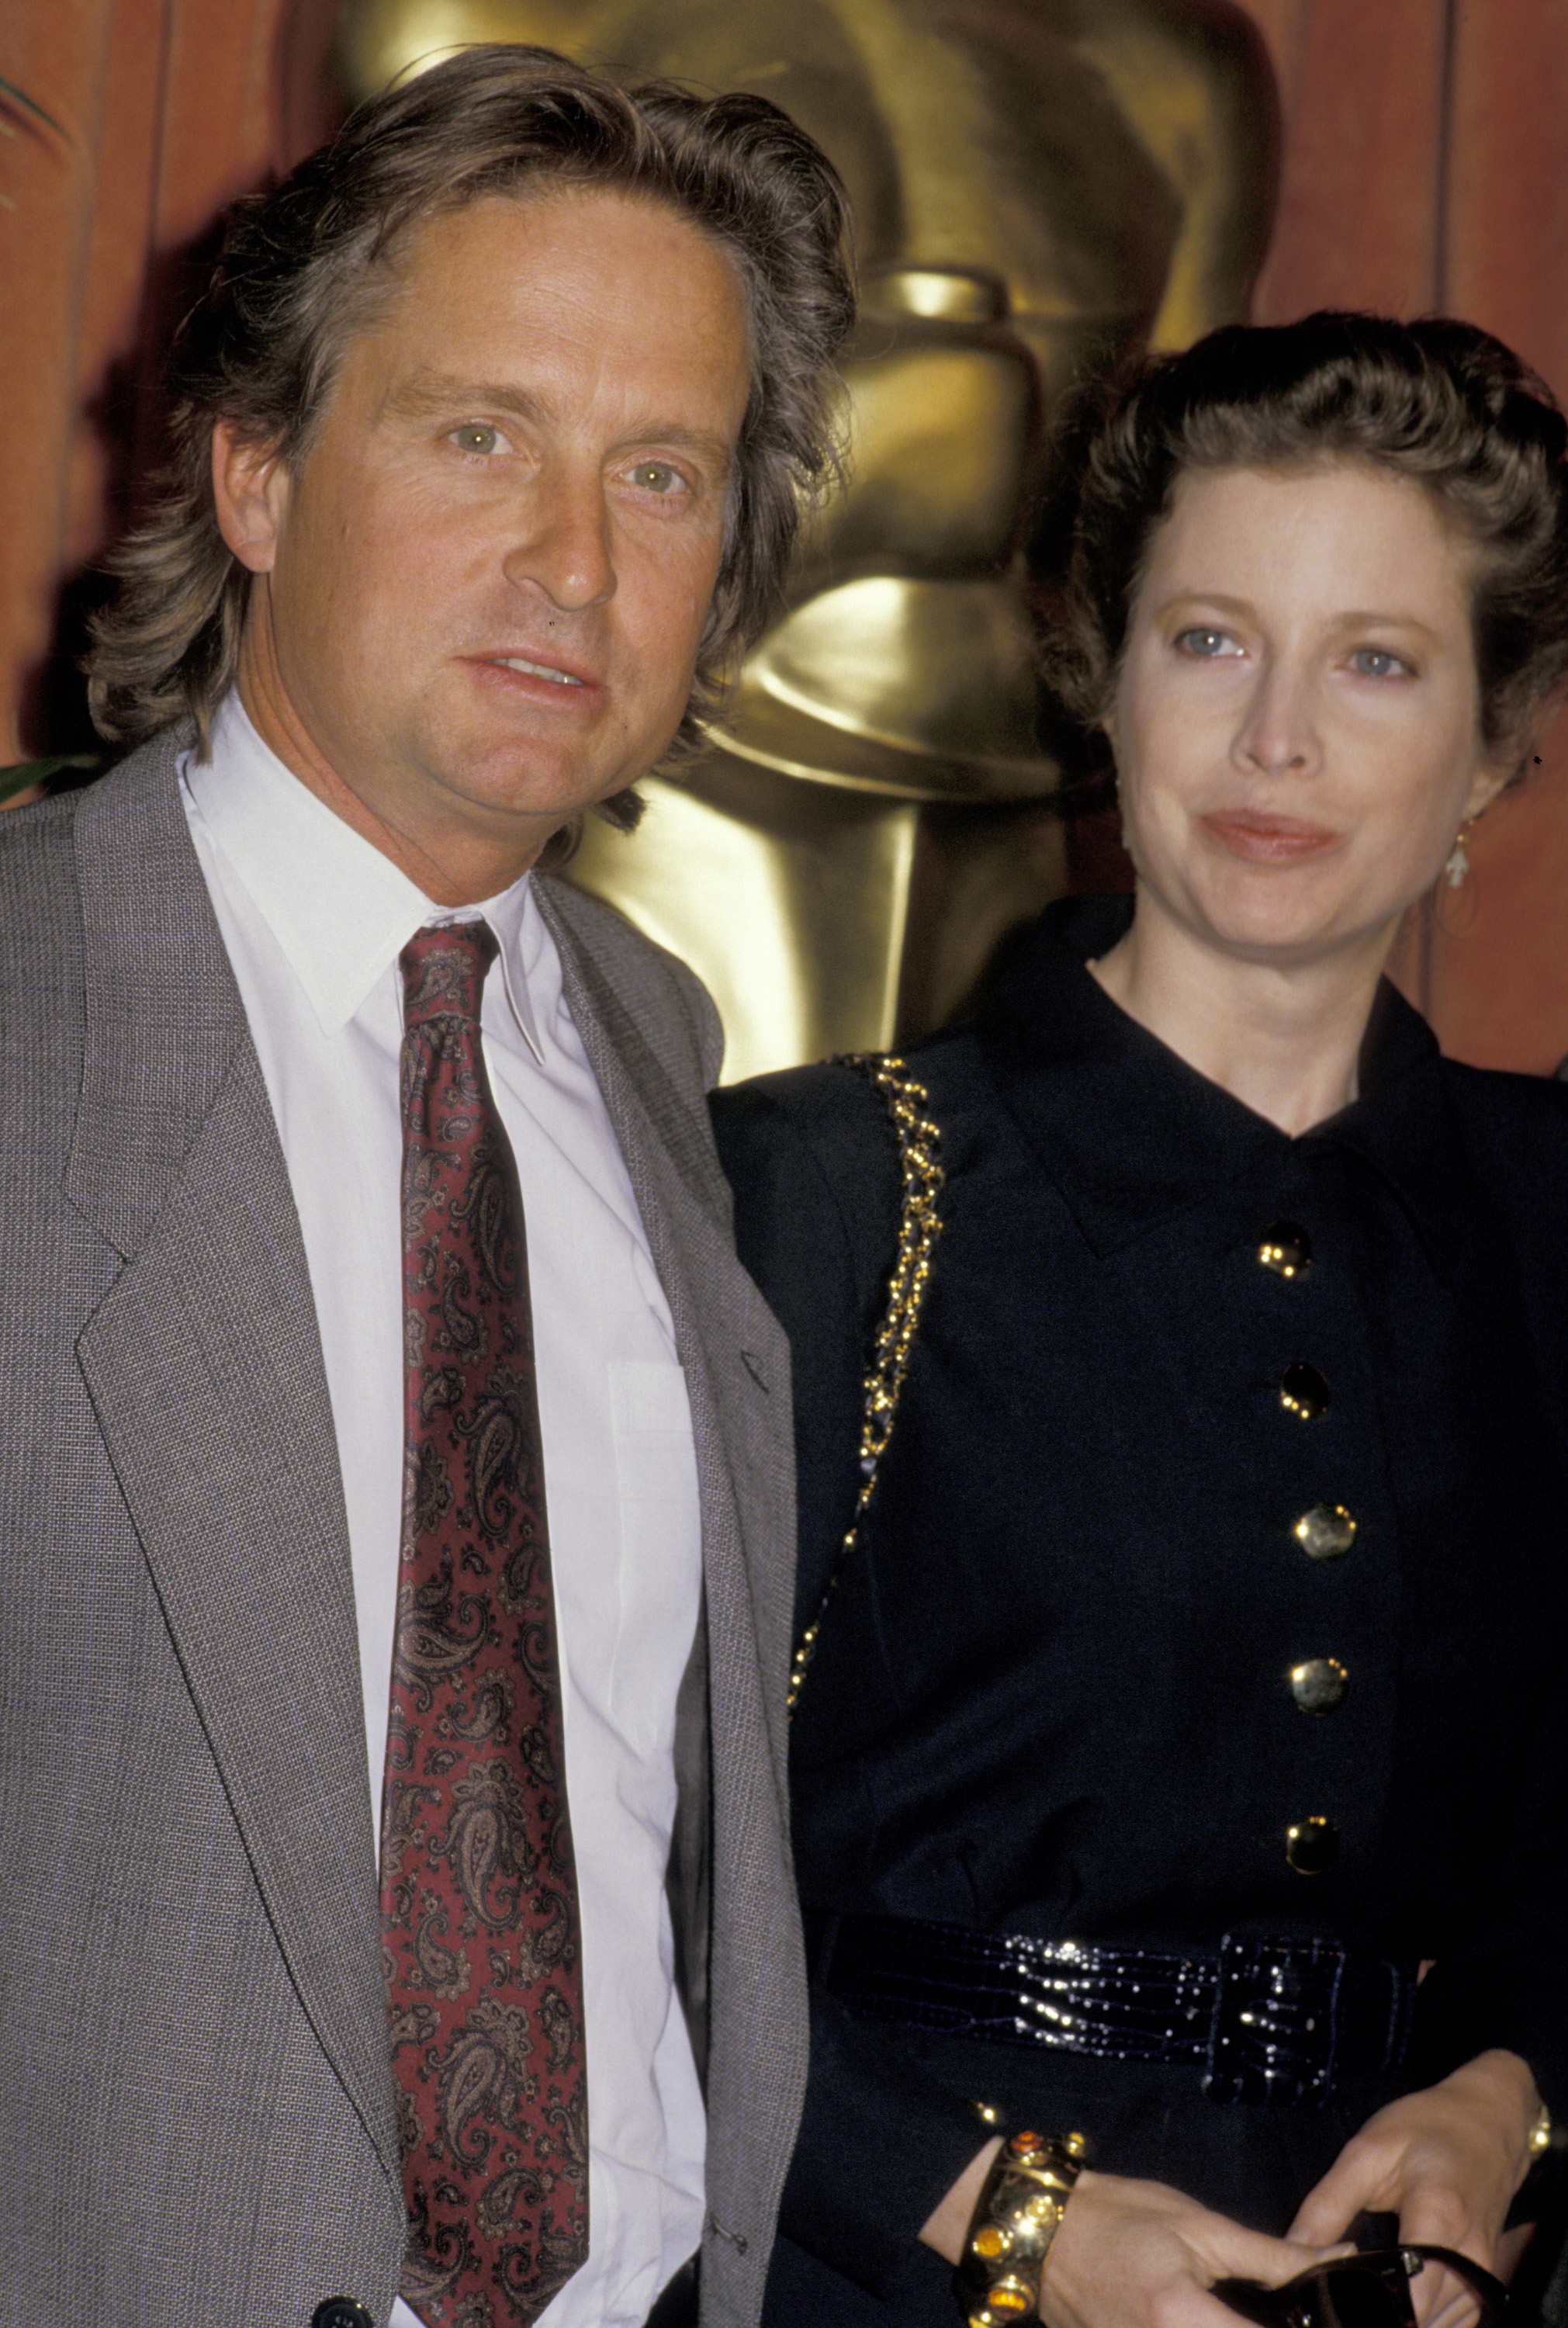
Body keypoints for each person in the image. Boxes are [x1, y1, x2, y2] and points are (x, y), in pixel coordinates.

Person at [0, 47, 852, 2328]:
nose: (573, 562)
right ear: (258, 471)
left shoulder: (662, 1053)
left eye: (659, 477)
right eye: (480, 435)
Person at [711, 313, 1568, 2328]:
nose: (1278, 741)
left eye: (1377, 661)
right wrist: (1000, 2220)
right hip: (893, 2276)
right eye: (1210, 640)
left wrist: (1508, 2106)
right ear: (1097, 678)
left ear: (1502, 737)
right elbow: (613, 1872)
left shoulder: (1545, 1218)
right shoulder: (819, 1192)